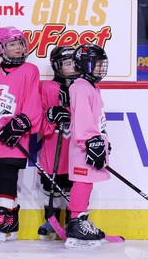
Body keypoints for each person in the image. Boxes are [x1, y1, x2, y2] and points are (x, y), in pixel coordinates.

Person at [0, 26, 42, 242]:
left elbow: (33, 99)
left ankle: (3, 216)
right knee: (0, 175)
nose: (18, 48)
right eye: (12, 44)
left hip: (14, 130)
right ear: (0, 47)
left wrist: (24, 121)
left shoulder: (30, 69)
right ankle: (11, 219)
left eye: (20, 43)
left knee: (7, 173)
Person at [65, 43, 110, 249]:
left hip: (91, 144)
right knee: (82, 181)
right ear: (85, 65)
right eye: (97, 64)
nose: (101, 68)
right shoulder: (80, 86)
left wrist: (103, 140)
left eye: (102, 64)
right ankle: (76, 223)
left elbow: (95, 119)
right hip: (84, 146)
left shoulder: (91, 86)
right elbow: (82, 119)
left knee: (87, 182)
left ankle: (80, 220)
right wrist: (91, 141)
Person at [37, 46, 79, 240]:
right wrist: (51, 115)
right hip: (52, 147)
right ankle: (52, 219)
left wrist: (69, 111)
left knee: (73, 186)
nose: (72, 67)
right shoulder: (47, 88)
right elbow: (39, 120)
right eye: (67, 63)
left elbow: (90, 116)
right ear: (57, 66)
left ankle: (73, 222)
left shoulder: (83, 87)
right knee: (51, 185)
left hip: (75, 149)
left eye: (74, 62)